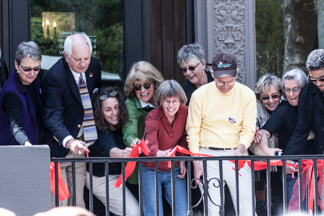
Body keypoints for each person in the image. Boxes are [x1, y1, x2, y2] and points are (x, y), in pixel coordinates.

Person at [186, 53, 257, 216]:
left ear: (236, 73)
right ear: (212, 74)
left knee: (246, 207)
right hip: (208, 155)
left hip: (236, 154)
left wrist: (242, 147)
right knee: (212, 209)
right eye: (220, 82)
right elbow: (193, 131)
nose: (225, 85)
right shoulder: (199, 95)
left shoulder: (247, 94)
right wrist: (197, 161)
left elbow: (248, 129)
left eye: (230, 81)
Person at [41, 33, 101, 207]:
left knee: (78, 202)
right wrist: (68, 141)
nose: (83, 64)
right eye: (77, 59)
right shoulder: (54, 78)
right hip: (59, 147)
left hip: (81, 145)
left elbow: (95, 95)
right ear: (65, 56)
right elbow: (52, 116)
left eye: (86, 58)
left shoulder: (94, 65)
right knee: (60, 202)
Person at [258, 69, 314, 207]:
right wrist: (266, 149)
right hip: (293, 172)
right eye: (287, 90)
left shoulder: (314, 105)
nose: (291, 94)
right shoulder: (282, 110)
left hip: (317, 169)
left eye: (295, 89)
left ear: (304, 88)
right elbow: (264, 132)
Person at [85, 87, 139, 216]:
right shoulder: (100, 132)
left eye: (116, 107)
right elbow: (108, 149)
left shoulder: (120, 126)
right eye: (108, 110)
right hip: (101, 178)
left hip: (118, 175)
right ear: (100, 112)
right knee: (133, 212)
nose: (114, 112)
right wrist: (123, 154)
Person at [142, 80, 188, 216]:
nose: (171, 105)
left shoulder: (185, 112)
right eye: (167, 101)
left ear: (181, 101)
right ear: (160, 101)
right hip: (151, 169)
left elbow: (184, 139)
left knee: (182, 213)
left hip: (174, 168)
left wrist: (181, 160)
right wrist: (161, 153)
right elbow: (150, 145)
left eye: (175, 101)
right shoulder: (152, 117)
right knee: (154, 213)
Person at [122, 61, 164, 185]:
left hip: (167, 162)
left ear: (154, 83)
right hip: (143, 165)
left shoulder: (166, 99)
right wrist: (135, 142)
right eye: (137, 87)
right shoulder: (131, 104)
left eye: (146, 85)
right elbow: (129, 132)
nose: (142, 90)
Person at [0, 41, 43, 145]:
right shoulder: (10, 92)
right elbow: (16, 127)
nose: (32, 73)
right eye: (27, 69)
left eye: (36, 68)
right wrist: (26, 143)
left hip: (34, 148)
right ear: (16, 65)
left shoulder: (35, 82)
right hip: (17, 152)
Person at [250, 74, 282, 155]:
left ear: (280, 94)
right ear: (259, 97)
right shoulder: (254, 109)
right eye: (265, 97)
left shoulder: (285, 108)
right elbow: (251, 128)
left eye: (274, 96)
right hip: (261, 161)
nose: (271, 101)